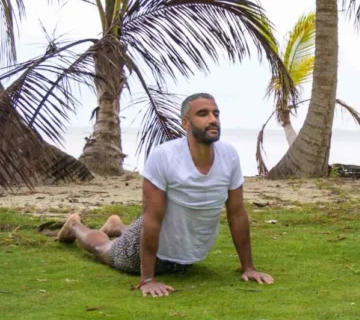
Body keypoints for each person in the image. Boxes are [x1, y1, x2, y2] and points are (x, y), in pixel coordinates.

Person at [57, 93, 274, 297]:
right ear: (186, 123)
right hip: (151, 248)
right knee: (104, 248)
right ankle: (75, 226)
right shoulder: (165, 156)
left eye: (215, 114)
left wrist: (249, 268)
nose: (213, 119)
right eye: (203, 114)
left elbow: (236, 213)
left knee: (171, 254)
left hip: (187, 252)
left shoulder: (230, 156)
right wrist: (147, 279)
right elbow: (151, 219)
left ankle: (116, 225)